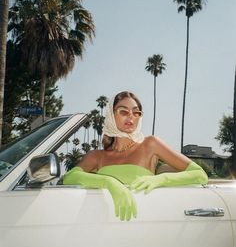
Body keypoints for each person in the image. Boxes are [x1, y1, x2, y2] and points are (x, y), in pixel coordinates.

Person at [63, 91, 208, 221]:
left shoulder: (150, 144)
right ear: (111, 115)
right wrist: (109, 183)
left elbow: (200, 175)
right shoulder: (97, 156)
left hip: (144, 221)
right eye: (123, 111)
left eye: (136, 112)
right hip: (104, 223)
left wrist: (161, 179)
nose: (131, 117)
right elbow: (69, 177)